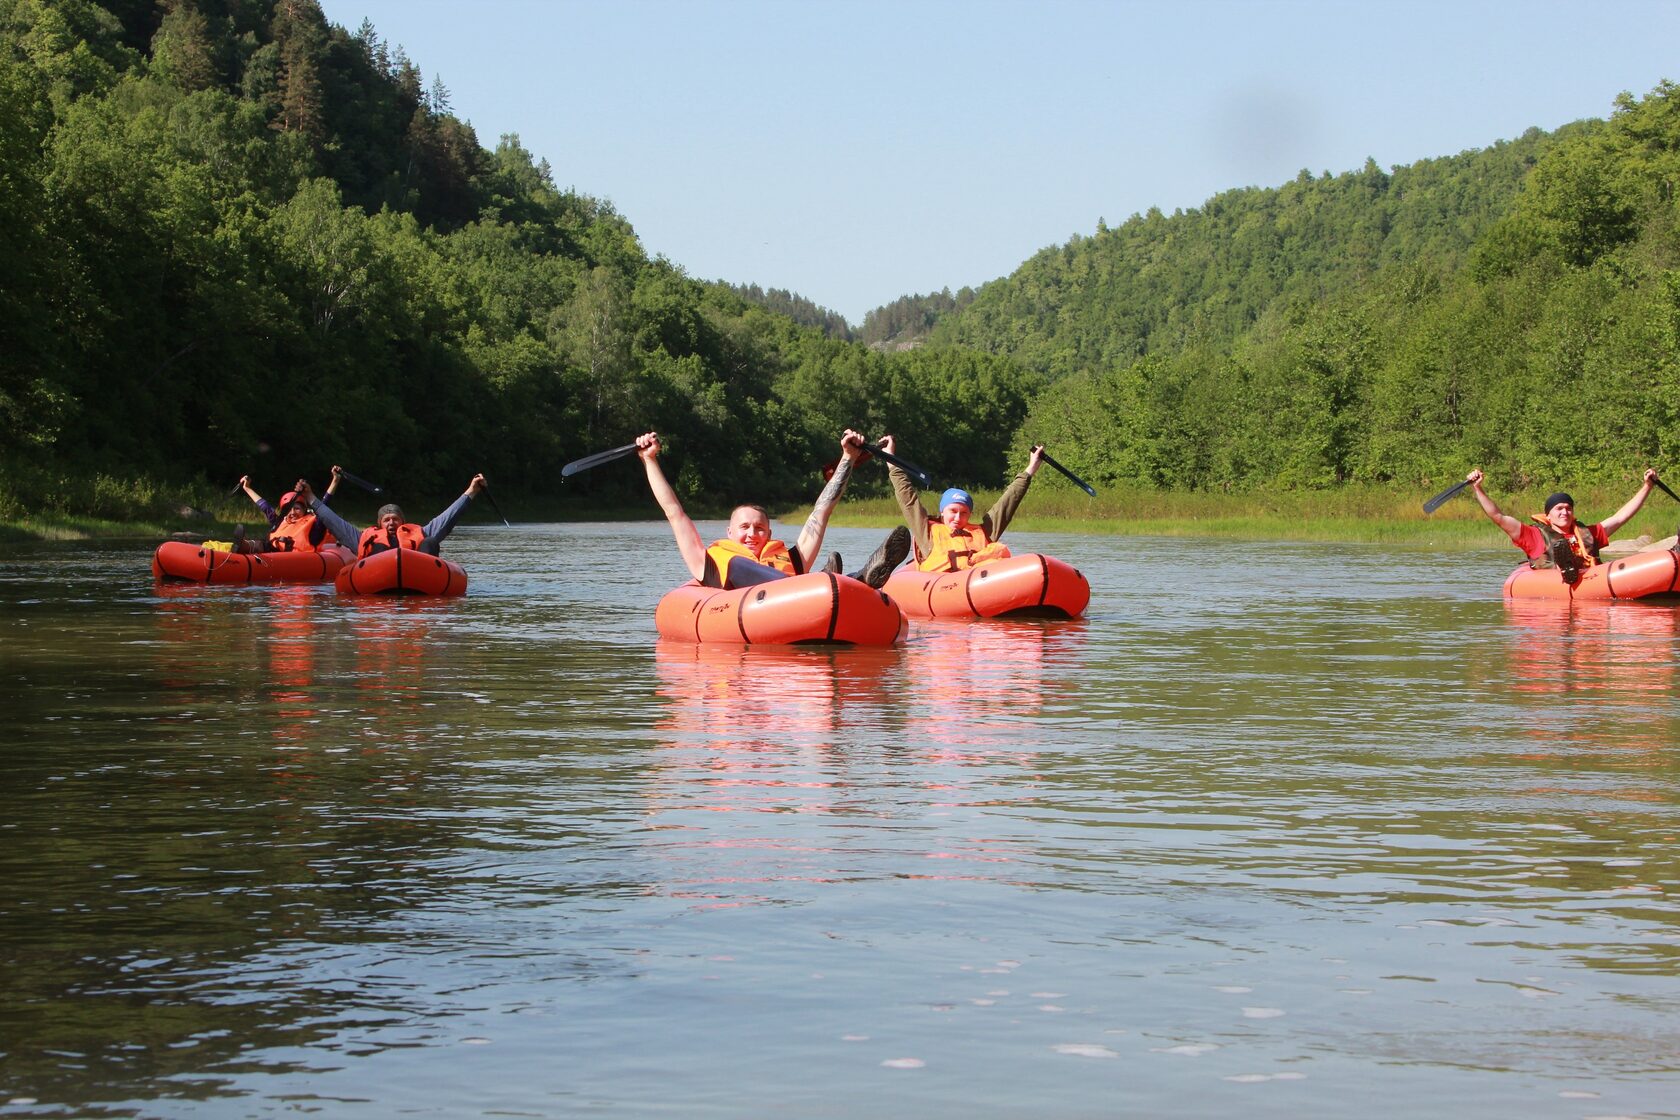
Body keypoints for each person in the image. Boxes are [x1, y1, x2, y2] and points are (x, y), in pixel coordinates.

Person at [636, 429, 910, 589]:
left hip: (799, 599)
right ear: (729, 532)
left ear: (769, 532)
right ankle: (833, 580)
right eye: (744, 527)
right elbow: (674, 512)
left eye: (759, 528)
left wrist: (848, 458)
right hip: (770, 598)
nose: (752, 533)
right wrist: (649, 461)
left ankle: (850, 580)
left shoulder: (791, 559)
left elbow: (821, 511)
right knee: (738, 566)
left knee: (820, 582)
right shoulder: (708, 563)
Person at [880, 436, 1046, 571]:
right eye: (953, 510)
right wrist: (890, 459)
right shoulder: (926, 531)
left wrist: (1031, 468)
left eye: (964, 512)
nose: (958, 517)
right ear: (942, 511)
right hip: (943, 587)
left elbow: (1008, 502)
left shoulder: (984, 531)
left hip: (980, 582)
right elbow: (907, 497)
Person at [1466, 467, 1662, 581]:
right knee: (1562, 560)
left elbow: (1621, 517)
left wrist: (1647, 486)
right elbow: (1498, 516)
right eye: (1559, 508)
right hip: (1555, 582)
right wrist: (1478, 488)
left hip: (1592, 580)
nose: (1564, 512)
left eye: (1568, 508)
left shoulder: (1588, 533)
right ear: (1548, 515)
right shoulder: (1533, 536)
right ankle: (1564, 566)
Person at [292, 469, 488, 558]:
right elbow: (332, 520)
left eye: (395, 519)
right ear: (379, 524)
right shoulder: (362, 538)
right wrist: (310, 497)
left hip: (418, 572)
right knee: (377, 546)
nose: (391, 523)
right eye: (386, 520)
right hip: (377, 573)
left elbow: (449, 516)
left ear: (403, 521)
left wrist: (472, 490)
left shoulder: (421, 533)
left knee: (430, 542)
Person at [232, 470, 343, 553]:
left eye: (297, 508)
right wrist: (247, 488)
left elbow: (324, 505)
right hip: (273, 555)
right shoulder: (280, 522)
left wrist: (335, 481)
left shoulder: (315, 527)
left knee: (264, 546)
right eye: (289, 509)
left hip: (296, 561)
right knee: (265, 544)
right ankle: (243, 546)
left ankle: (245, 547)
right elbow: (265, 507)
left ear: (305, 509)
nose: (292, 512)